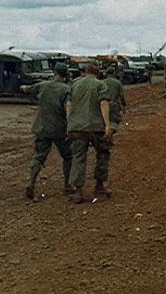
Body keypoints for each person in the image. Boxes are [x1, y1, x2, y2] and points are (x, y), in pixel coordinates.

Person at [20, 62, 73, 200]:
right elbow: (68, 108)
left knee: (39, 157)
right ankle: (67, 185)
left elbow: (28, 89)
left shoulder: (43, 85)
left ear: (54, 73)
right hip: (60, 129)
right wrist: (70, 126)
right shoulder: (66, 89)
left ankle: (31, 182)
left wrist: (23, 87)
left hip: (42, 128)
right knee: (67, 157)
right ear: (65, 75)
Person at [66, 64, 112, 204]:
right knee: (103, 153)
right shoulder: (101, 85)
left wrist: (70, 122)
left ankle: (78, 191)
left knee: (78, 157)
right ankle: (99, 185)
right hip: (96, 126)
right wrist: (107, 126)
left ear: (85, 72)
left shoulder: (74, 84)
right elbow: (103, 104)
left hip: (77, 127)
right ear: (98, 73)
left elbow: (68, 104)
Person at [104, 66, 128, 135]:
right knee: (114, 123)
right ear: (114, 73)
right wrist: (124, 105)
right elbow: (121, 96)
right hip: (113, 106)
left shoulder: (101, 82)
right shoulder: (117, 83)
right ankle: (108, 136)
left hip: (103, 106)